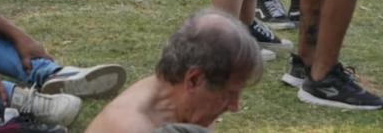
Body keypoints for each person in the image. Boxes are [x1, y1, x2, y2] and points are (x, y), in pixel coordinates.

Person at [86, 9, 262, 133]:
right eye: (229, 94)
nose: (235, 106)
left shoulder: (188, 105)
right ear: (194, 79)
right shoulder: (131, 126)